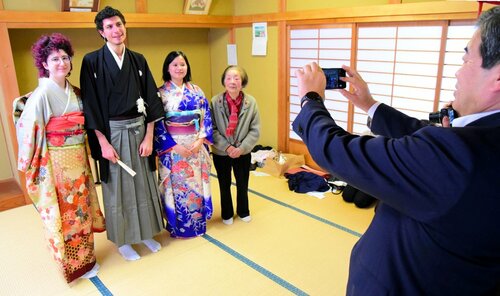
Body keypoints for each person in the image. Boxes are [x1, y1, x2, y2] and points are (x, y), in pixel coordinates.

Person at [292, 6, 500, 295]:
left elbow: (340, 152)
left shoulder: (461, 156)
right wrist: (369, 104)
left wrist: (310, 100)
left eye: (467, 59)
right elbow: (425, 138)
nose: (457, 71)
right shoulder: (482, 139)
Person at [15, 33, 105, 282]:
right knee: (65, 213)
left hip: (78, 159)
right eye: (54, 58)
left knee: (82, 210)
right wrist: (30, 164)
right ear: (44, 63)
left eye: (65, 57)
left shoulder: (75, 92)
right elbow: (29, 128)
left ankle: (86, 260)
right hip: (57, 164)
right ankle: (71, 264)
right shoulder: (42, 95)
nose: (61, 63)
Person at [80, 6, 164, 261]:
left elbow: (151, 97)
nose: (116, 30)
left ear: (125, 26)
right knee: (118, 187)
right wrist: (102, 143)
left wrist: (149, 136)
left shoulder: (138, 59)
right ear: (101, 33)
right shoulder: (92, 61)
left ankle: (146, 232)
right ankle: (124, 240)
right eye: (109, 27)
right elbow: (91, 104)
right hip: (112, 133)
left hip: (139, 131)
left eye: (119, 24)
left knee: (143, 183)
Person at [154, 51, 213, 238]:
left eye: (182, 64)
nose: (179, 68)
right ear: (167, 68)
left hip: (195, 147)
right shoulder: (160, 93)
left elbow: (206, 116)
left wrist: (200, 140)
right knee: (176, 188)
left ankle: (197, 225)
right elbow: (157, 124)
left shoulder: (197, 91)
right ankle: (178, 227)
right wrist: (173, 146)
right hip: (173, 149)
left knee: (195, 186)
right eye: (175, 65)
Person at [211, 65, 260, 225]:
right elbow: (212, 128)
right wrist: (227, 147)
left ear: (243, 82)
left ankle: (243, 211)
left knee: (242, 183)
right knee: (224, 184)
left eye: (236, 78)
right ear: (224, 81)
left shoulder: (250, 102)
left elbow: (255, 130)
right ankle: (226, 213)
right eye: (229, 78)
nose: (232, 81)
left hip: (242, 152)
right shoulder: (215, 101)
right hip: (221, 152)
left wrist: (241, 148)